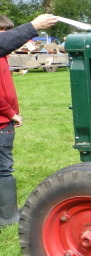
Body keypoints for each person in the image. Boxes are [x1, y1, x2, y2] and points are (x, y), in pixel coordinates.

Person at [0, 13, 58, 227]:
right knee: (4, 168)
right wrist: (11, 113)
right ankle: (7, 217)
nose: (10, 39)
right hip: (1, 122)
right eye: (5, 34)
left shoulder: (3, 57)